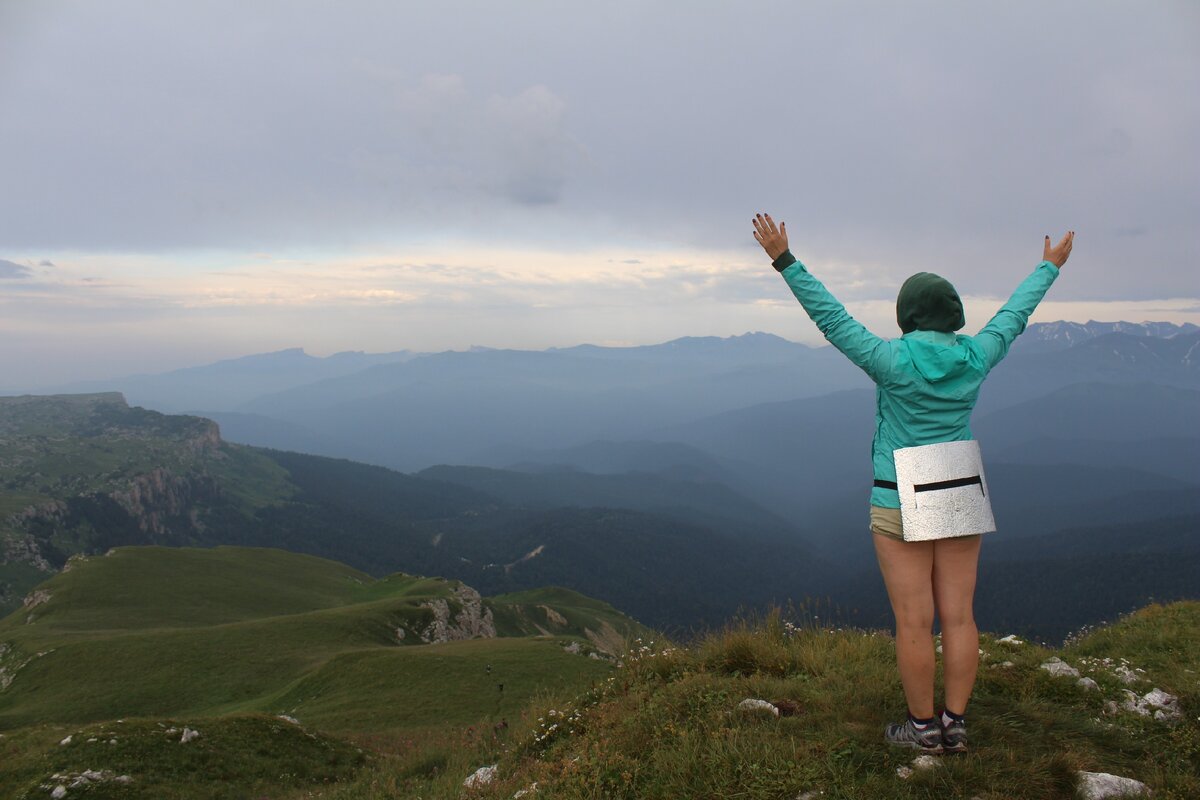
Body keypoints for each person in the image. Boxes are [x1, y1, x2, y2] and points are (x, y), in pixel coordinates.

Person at [752, 213, 1073, 754]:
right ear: (953, 315)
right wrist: (1048, 267)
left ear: (906, 315)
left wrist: (784, 259)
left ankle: (923, 731)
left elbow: (832, 319)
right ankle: (957, 723)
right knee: (960, 616)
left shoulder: (890, 359)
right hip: (959, 482)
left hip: (900, 488)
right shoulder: (975, 355)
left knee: (913, 620)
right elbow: (1012, 317)